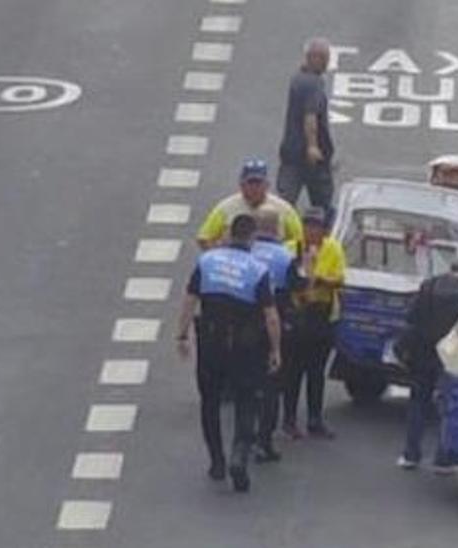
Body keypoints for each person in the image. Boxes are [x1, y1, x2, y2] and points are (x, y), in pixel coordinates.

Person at [174, 214, 282, 493]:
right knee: (247, 401)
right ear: (252, 238)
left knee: (209, 402)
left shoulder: (207, 261)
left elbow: (189, 299)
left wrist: (182, 334)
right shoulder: (258, 270)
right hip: (245, 347)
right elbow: (271, 316)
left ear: (228, 235)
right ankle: (239, 455)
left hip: (210, 343)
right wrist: (275, 349)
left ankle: (217, 461)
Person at [395, 258, 458, 471]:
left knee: (418, 403)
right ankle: (444, 458)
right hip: (451, 357)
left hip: (422, 352)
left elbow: (412, 319)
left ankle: (410, 455)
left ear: (451, 269)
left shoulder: (428, 286)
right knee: (448, 407)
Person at [281, 206, 345, 440]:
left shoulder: (332, 248)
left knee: (316, 371)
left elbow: (339, 278)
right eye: (308, 226)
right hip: (297, 314)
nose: (312, 231)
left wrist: (319, 279)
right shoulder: (289, 249)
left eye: (316, 226)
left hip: (322, 313)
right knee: (292, 371)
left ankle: (315, 419)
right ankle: (288, 419)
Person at [248, 210, 300, 463]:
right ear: (277, 229)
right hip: (273, 326)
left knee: (246, 385)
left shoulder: (246, 253)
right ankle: (264, 441)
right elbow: (298, 287)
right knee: (272, 387)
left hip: (243, 325)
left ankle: (244, 436)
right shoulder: (285, 256)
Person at [277, 38, 335, 209]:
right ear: (313, 58)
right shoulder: (313, 83)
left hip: (290, 152)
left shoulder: (298, 78)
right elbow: (310, 116)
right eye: (324, 58)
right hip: (309, 158)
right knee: (322, 204)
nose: (326, 63)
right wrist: (312, 146)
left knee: (285, 202)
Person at [197, 160, 304, 250]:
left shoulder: (284, 209)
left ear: (267, 185)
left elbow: (300, 240)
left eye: (258, 183)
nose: (254, 188)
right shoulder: (226, 208)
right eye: (250, 183)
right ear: (242, 185)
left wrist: (285, 253)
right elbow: (204, 238)